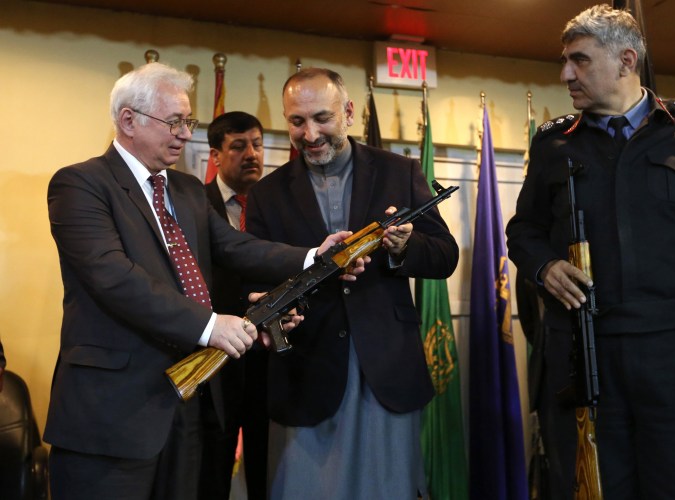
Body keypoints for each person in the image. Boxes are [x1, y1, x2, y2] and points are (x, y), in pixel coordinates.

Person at [44, 62, 364, 500]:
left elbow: (236, 247)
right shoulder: (80, 184)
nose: (184, 133)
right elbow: (115, 278)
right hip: (111, 413)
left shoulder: (188, 190)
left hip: (191, 402)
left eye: (188, 121)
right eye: (173, 121)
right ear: (128, 120)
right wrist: (212, 326)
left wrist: (314, 256)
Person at [506, 5, 675, 499]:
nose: (565, 74)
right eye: (565, 61)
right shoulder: (554, 144)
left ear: (625, 60)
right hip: (586, 351)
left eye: (579, 61)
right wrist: (544, 265)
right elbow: (524, 230)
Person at [245, 67, 459, 499]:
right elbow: (257, 275)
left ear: (349, 112)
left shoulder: (400, 171)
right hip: (307, 369)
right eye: (297, 122)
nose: (310, 134)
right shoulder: (266, 194)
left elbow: (444, 256)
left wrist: (403, 247)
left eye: (322, 118)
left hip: (385, 367)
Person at [200, 111, 267, 500]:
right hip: (214, 356)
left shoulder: (276, 202)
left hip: (267, 356)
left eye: (257, 144)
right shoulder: (194, 202)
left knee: (266, 464)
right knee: (212, 467)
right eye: (239, 146)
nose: (252, 154)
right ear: (215, 155)